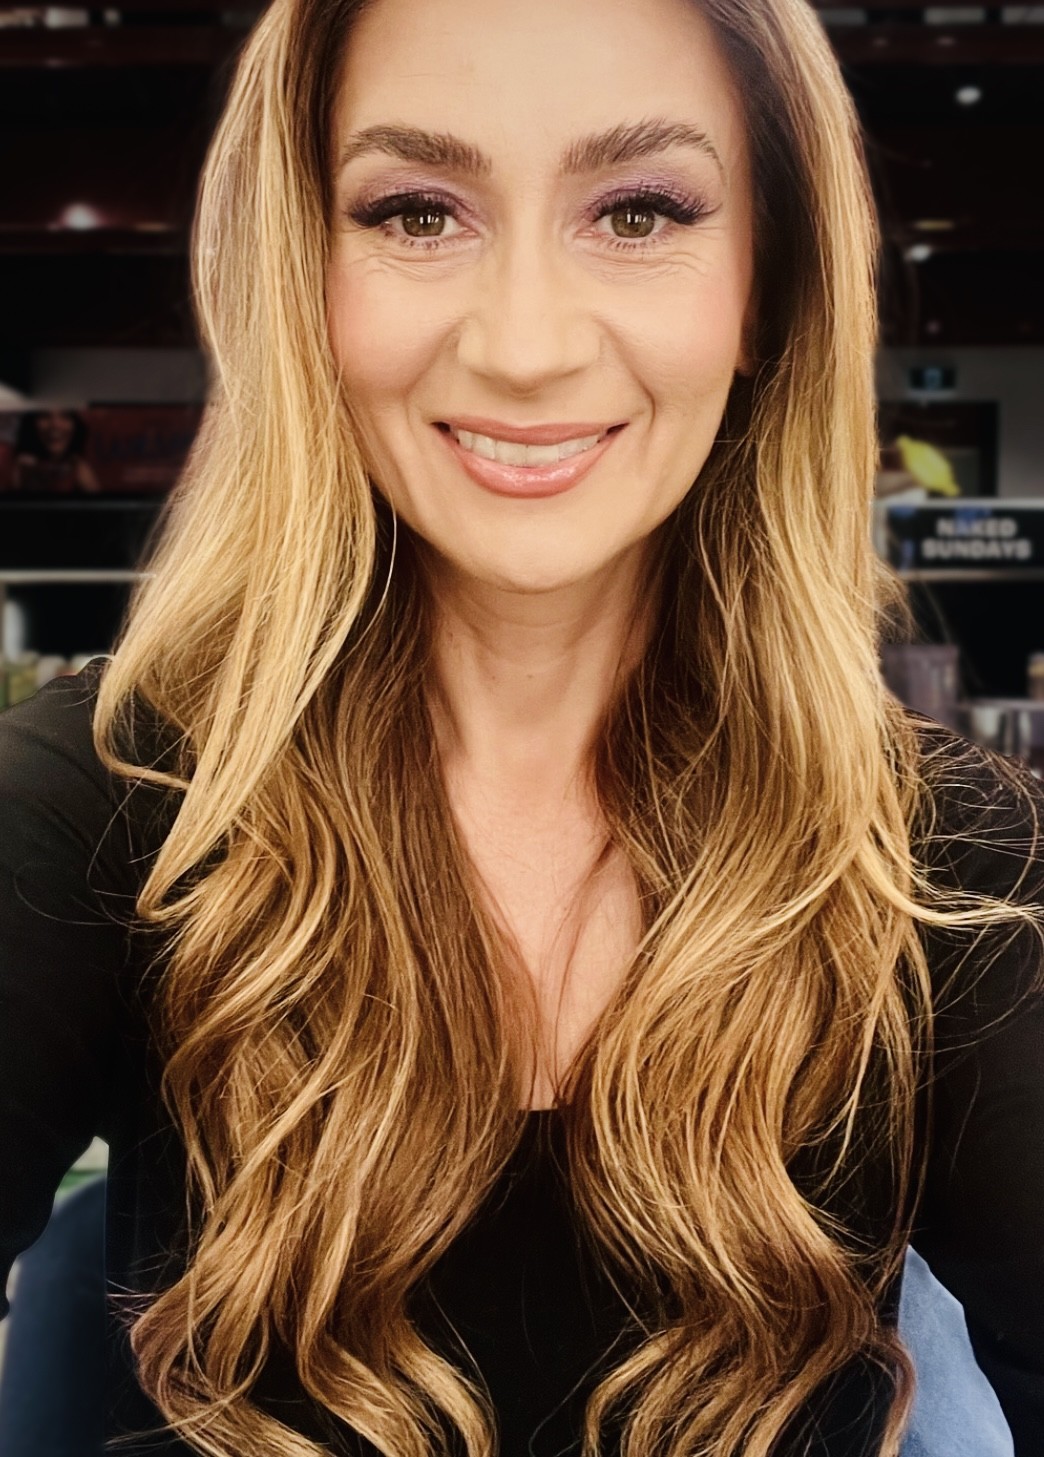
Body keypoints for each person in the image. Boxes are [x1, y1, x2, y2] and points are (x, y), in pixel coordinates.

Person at [0, 1, 1042, 1455]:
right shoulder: (100, 800)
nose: (527, 346)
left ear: (770, 291)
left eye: (639, 212)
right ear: (301, 274)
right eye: (417, 213)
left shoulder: (948, 862)